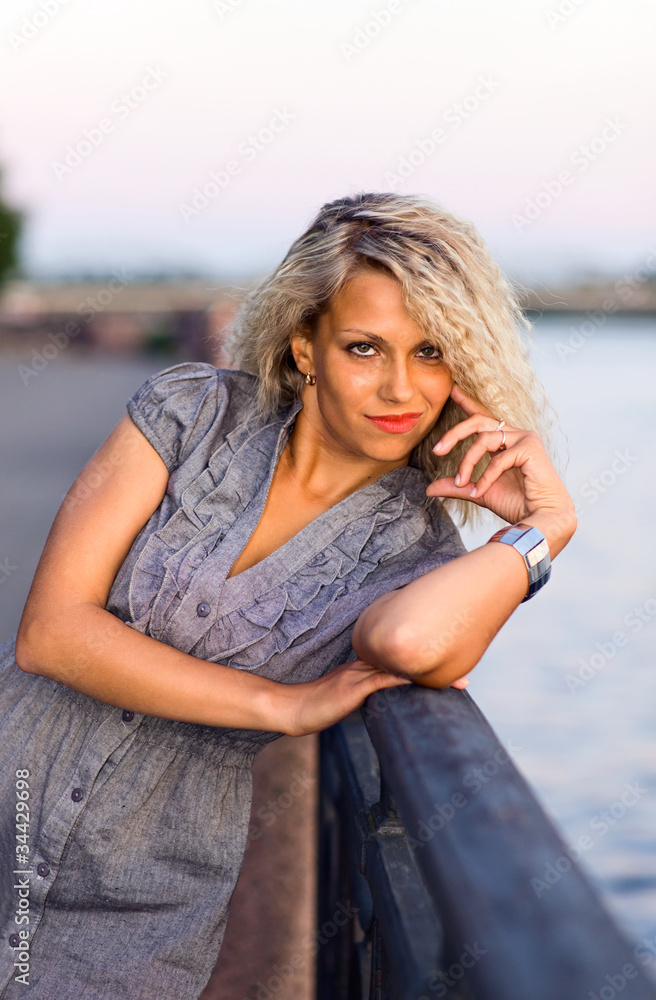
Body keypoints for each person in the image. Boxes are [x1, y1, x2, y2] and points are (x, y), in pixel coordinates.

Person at [0, 191, 576, 999]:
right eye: (365, 348)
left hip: (144, 896)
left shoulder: (422, 553)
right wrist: (280, 706)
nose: (400, 389)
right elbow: (51, 634)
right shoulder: (193, 413)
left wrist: (544, 529)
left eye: (433, 352)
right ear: (306, 344)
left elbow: (411, 645)